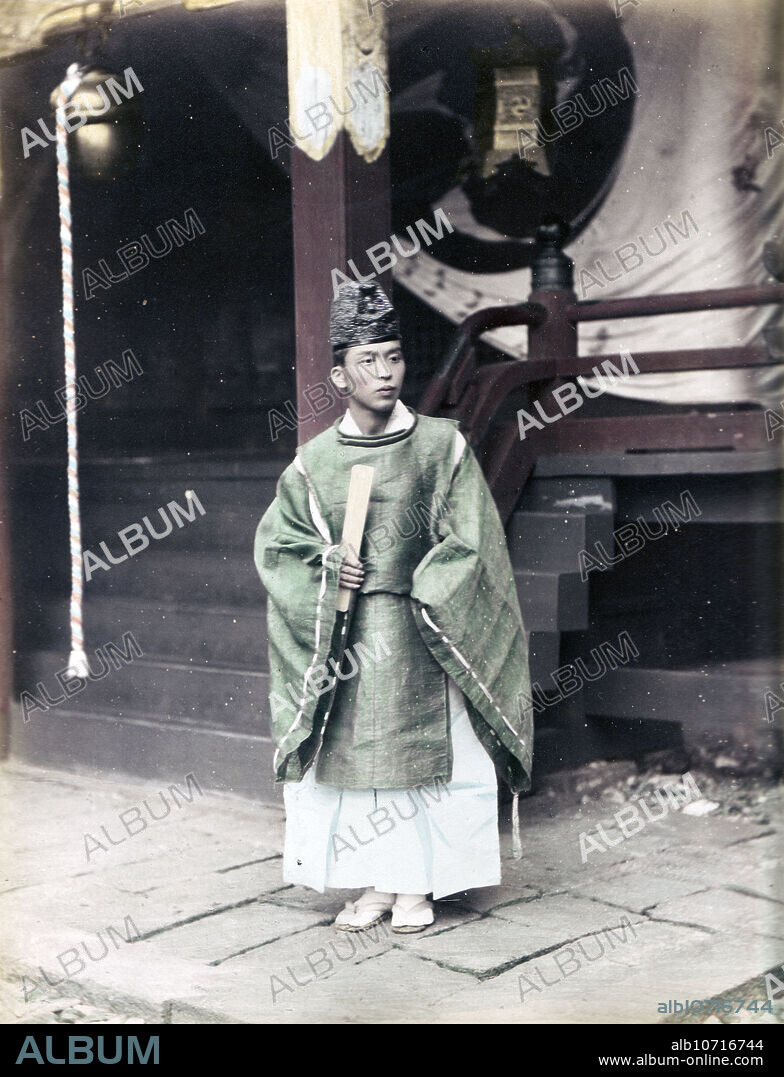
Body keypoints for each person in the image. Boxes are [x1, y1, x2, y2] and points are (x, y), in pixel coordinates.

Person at [254, 281, 533, 934]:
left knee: (423, 764)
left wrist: (426, 586)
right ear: (338, 373)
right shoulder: (312, 462)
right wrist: (327, 568)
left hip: (423, 629)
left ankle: (415, 885)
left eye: (394, 357)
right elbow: (279, 548)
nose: (385, 372)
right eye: (369, 360)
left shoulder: (442, 445)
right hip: (346, 636)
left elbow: (472, 539)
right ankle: (376, 881)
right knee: (354, 766)